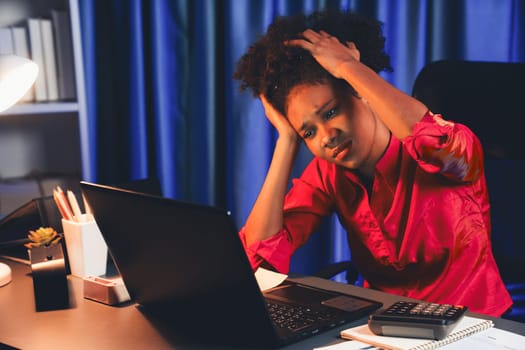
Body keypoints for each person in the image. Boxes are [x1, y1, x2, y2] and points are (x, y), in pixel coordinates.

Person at [232, 9, 512, 317]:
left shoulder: (453, 147)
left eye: (330, 112)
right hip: (382, 326)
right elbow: (260, 259)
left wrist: (351, 67)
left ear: (358, 91)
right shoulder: (327, 174)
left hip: (473, 324)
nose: (326, 136)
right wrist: (286, 140)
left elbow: (433, 141)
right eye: (309, 131)